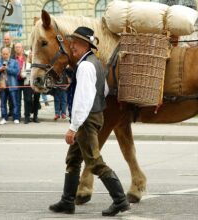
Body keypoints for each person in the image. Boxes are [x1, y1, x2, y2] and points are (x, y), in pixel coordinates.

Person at [49, 27, 130, 216]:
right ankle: (67, 201)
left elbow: (83, 99)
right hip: (94, 116)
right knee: (73, 159)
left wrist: (73, 127)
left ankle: (120, 200)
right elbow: (103, 91)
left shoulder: (85, 66)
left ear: (85, 44)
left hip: (86, 120)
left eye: (75, 42)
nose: (72, 46)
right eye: (72, 42)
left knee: (94, 162)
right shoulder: (96, 63)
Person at [0, 47, 20, 124]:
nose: (5, 55)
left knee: (15, 102)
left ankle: (16, 118)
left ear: (9, 53)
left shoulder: (14, 62)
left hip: (12, 85)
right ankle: (4, 118)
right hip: (2, 85)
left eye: (6, 54)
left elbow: (16, 72)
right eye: (3, 54)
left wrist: (7, 68)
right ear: (1, 54)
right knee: (3, 102)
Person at [13, 42, 26, 121]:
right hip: (16, 80)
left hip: (25, 80)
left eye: (19, 47)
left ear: (22, 48)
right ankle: (17, 116)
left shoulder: (26, 57)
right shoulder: (13, 58)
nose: (17, 48)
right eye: (16, 47)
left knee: (27, 99)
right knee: (17, 99)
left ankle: (26, 115)